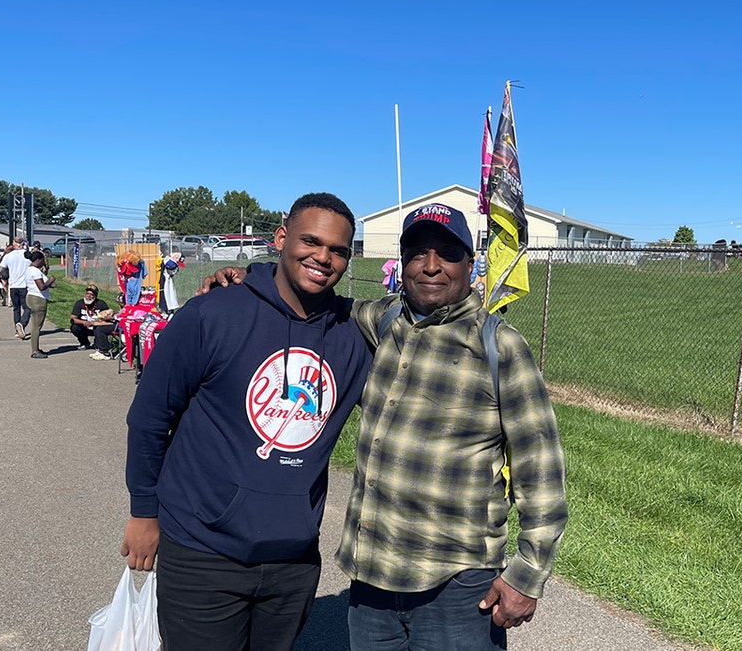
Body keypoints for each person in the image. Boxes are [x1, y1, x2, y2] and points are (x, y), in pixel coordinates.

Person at [205, 204, 569, 649]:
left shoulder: (500, 347)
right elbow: (310, 298)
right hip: (372, 580)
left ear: (470, 266)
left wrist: (527, 577)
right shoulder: (381, 321)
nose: (431, 266)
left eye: (447, 254)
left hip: (457, 585)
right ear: (402, 263)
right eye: (418, 253)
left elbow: (542, 471)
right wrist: (250, 280)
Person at [122, 193, 373, 651]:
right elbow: (150, 418)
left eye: (338, 250)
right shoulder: (211, 315)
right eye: (311, 241)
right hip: (202, 550)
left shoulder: (353, 336)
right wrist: (143, 510)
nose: (323, 257)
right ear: (281, 238)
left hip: (292, 557)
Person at [70, 284, 116, 360]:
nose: (89, 296)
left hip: (97, 327)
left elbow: (107, 316)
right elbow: (73, 318)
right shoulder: (79, 303)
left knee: (100, 329)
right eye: (87, 293)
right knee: (74, 327)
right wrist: (84, 322)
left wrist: (98, 321)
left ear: (95, 296)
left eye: (91, 294)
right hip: (85, 327)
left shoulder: (101, 304)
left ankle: (100, 346)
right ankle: (85, 343)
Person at [24, 250, 56, 359]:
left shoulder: (30, 270)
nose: (44, 262)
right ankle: (34, 350)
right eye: (43, 260)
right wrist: (50, 280)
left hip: (32, 297)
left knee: (36, 325)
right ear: (38, 260)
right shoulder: (35, 272)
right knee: (36, 326)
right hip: (38, 299)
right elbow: (41, 287)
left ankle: (36, 348)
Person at [0, 238, 31, 338]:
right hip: (25, 286)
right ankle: (21, 324)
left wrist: (1, 278)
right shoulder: (27, 255)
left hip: (13, 285)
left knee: (16, 308)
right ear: (23, 244)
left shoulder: (8, 256)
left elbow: (0, 268)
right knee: (27, 308)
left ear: (14, 244)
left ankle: (17, 330)